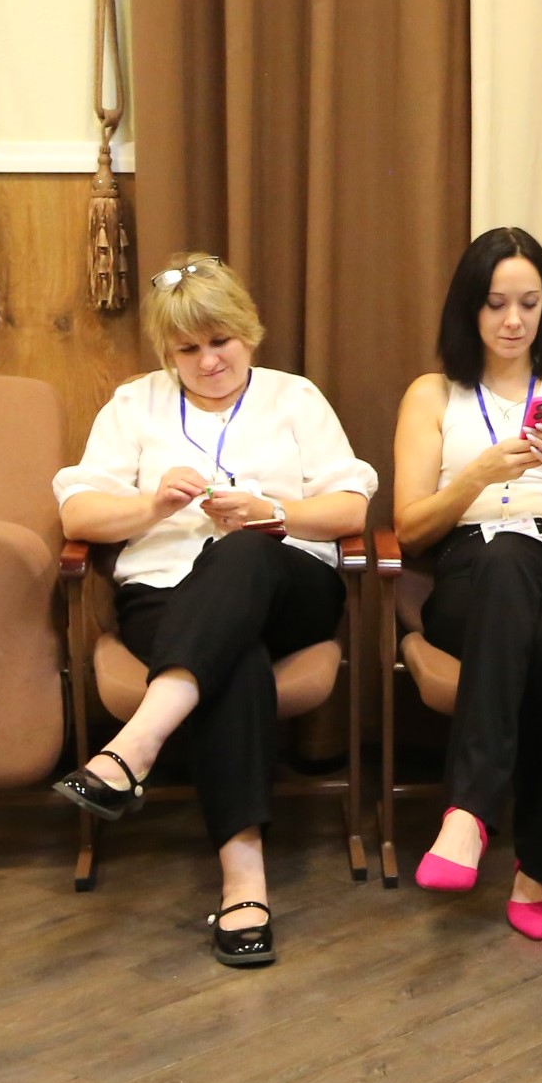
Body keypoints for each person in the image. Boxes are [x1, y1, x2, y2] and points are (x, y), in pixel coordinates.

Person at [51, 254, 375, 968]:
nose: (208, 362)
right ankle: (244, 883)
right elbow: (78, 512)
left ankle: (136, 744)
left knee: (243, 552)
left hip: (289, 586)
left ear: (248, 333)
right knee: (236, 659)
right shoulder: (134, 405)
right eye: (187, 349)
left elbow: (350, 507)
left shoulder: (294, 398)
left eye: (220, 341)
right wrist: (151, 505)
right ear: (166, 353)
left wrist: (271, 511)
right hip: (164, 597)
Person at [390, 228, 542, 940]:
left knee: (519, 558)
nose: (513, 320)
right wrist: (476, 477)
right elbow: (409, 531)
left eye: (529, 303)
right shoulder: (432, 394)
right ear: (469, 307)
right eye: (496, 304)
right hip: (469, 573)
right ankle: (538, 867)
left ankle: (468, 810)